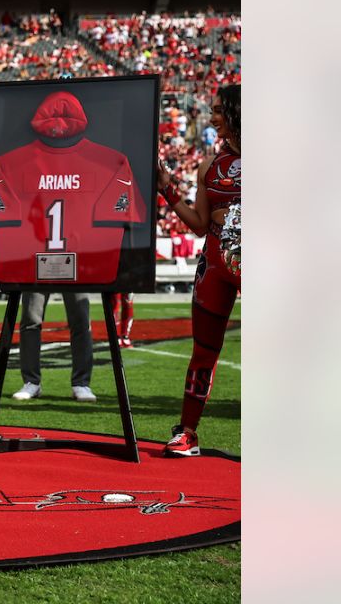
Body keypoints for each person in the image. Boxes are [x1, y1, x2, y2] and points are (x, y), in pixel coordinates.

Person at [157, 84, 240, 457]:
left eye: (220, 109)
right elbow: (200, 223)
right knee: (203, 351)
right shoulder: (209, 165)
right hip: (215, 263)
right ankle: (188, 433)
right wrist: (167, 189)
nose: (213, 116)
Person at [12, 292, 98, 402]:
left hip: (76, 274)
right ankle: (31, 382)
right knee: (30, 320)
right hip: (36, 274)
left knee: (81, 320)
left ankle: (81, 383)